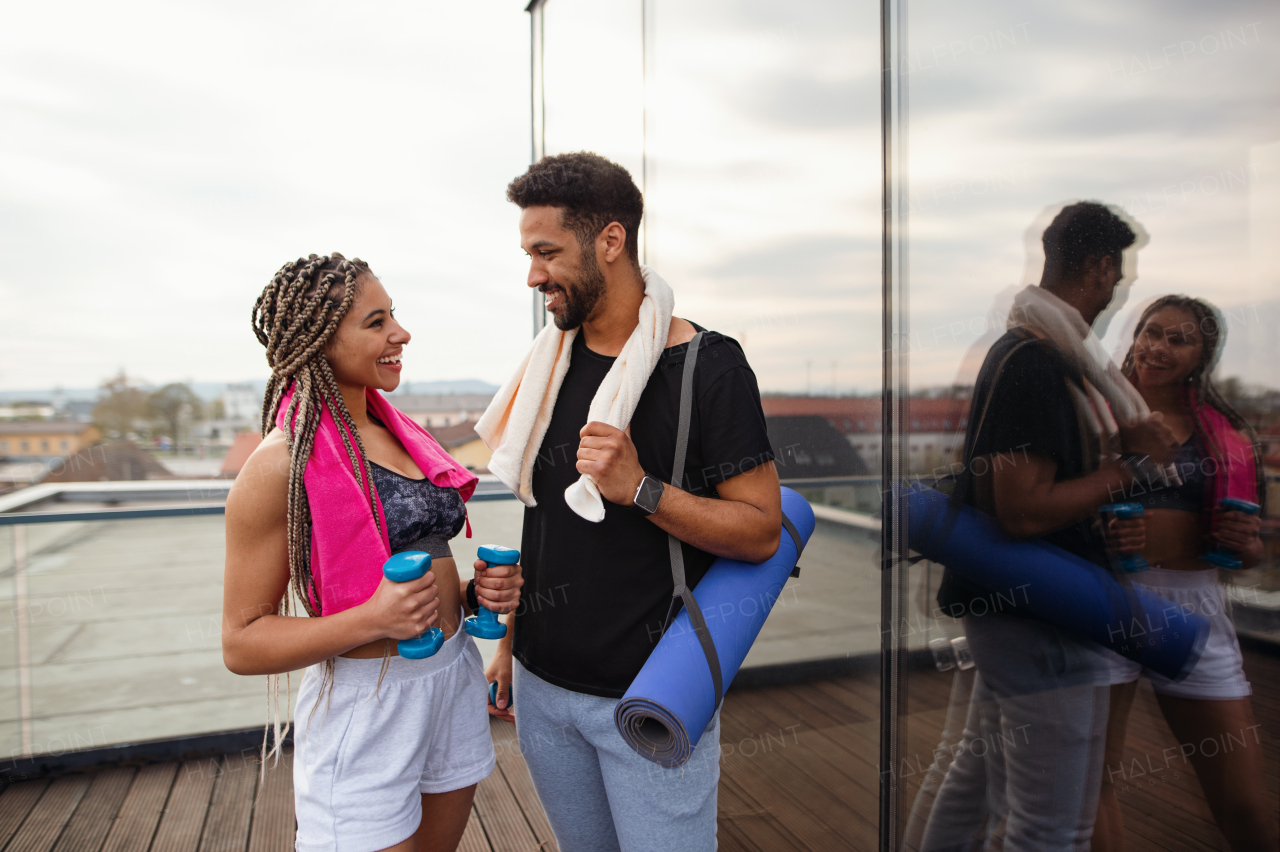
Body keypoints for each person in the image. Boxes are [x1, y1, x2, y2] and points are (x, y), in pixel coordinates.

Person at [475, 152, 782, 852]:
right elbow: (544, 521)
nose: (533, 275)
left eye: (547, 252)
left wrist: (641, 489)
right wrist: (512, 645)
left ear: (610, 242)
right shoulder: (548, 364)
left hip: (650, 698)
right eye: (528, 254)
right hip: (543, 690)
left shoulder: (709, 366)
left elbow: (762, 530)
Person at [221, 253, 524, 852]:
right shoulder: (279, 463)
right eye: (376, 321)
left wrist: (470, 595)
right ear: (319, 340)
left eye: (395, 317)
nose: (400, 334)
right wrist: (373, 620)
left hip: (450, 678)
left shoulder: (400, 434)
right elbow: (241, 641)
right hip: (370, 702)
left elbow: (417, 583)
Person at [916, 201, 1179, 852]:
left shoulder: (1030, 351)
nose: (1120, 289)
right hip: (1046, 614)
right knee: (1053, 827)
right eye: (1119, 275)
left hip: (1014, 612)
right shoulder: (1039, 363)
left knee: (970, 786)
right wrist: (1133, 470)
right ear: (1098, 266)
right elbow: (1023, 507)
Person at [1092, 295, 1276, 852]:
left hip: (1195, 609)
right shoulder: (1096, 414)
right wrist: (1101, 538)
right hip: (1105, 603)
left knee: (1245, 805)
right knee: (1091, 785)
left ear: (1202, 356)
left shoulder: (1227, 434)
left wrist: (1241, 545)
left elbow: (1252, 555)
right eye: (1151, 332)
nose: (1158, 347)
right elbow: (1052, 508)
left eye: (1178, 339)